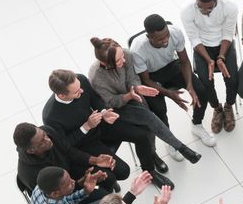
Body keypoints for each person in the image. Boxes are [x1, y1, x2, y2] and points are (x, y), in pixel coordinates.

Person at [88, 37, 203, 189]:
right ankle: (179, 148)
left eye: (122, 56)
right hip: (114, 110)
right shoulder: (96, 76)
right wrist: (129, 95)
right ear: (106, 63)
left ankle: (153, 154)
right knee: (148, 118)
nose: (123, 60)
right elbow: (110, 102)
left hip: (134, 95)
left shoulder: (127, 55)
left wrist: (136, 88)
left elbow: (133, 78)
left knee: (148, 121)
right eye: (118, 60)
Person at [130, 14, 216, 157]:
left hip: (172, 66)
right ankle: (169, 140)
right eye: (160, 39)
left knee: (200, 90)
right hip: (152, 76)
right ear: (149, 36)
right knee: (158, 108)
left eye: (167, 36)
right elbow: (145, 80)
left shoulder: (175, 32)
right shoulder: (137, 49)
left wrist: (189, 86)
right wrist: (169, 94)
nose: (165, 41)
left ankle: (197, 124)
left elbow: (184, 61)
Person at [43, 70, 131, 193]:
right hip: (84, 144)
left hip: (100, 124)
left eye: (80, 87)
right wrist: (86, 127)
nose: (82, 91)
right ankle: (108, 191)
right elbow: (65, 146)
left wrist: (104, 112)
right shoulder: (50, 116)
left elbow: (94, 99)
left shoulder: (80, 80)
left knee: (139, 132)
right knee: (122, 172)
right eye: (76, 92)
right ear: (62, 95)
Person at [181, 0, 239, 134]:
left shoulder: (230, 6)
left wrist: (221, 57)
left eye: (207, 8)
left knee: (232, 79)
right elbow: (194, 38)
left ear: (216, 0)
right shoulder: (187, 10)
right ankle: (217, 109)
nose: (203, 10)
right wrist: (209, 60)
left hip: (223, 44)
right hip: (202, 47)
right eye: (199, 6)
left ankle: (228, 107)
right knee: (205, 83)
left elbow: (228, 33)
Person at [14, 122, 116, 201]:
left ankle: (107, 192)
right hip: (66, 192)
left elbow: (69, 151)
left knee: (109, 178)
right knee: (105, 197)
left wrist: (96, 160)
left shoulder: (46, 131)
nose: (48, 140)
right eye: (41, 143)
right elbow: (56, 198)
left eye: (44, 135)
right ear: (31, 150)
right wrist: (81, 183)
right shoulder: (30, 174)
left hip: (71, 172)